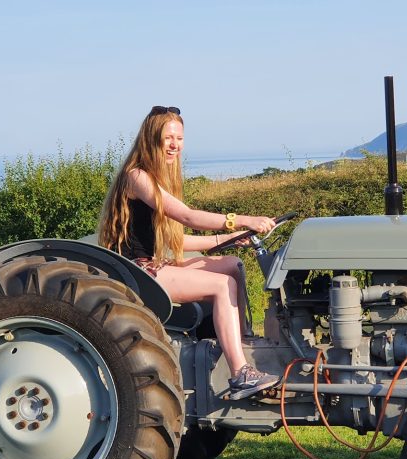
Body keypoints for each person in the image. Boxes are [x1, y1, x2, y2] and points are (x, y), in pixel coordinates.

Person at [99, 105, 281, 393]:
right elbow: (187, 216)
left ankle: (243, 343)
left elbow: (176, 239)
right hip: (139, 272)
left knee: (233, 264)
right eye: (168, 138)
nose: (175, 145)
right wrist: (239, 220)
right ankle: (240, 373)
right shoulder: (137, 177)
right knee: (222, 285)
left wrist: (227, 241)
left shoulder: (159, 179)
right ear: (151, 139)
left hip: (156, 263)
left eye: (179, 139)